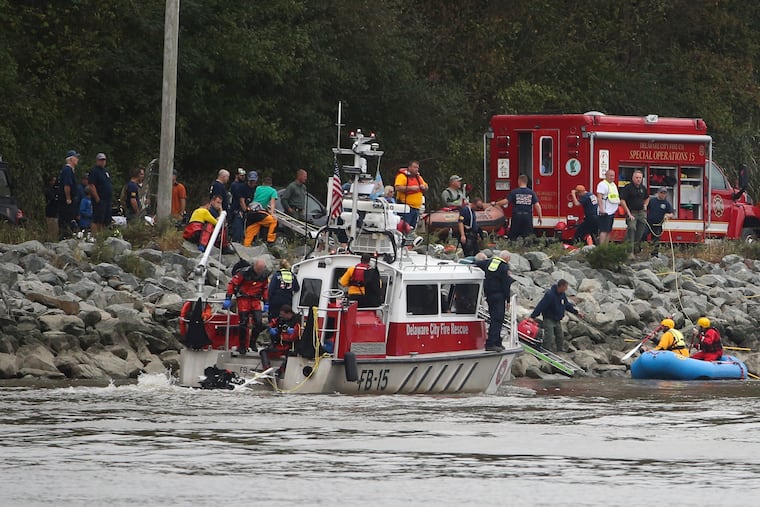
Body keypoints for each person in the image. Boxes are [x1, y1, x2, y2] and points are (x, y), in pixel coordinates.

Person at [223, 258, 269, 355]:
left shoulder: (264, 275)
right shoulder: (243, 273)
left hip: (255, 299)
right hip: (243, 298)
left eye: (262, 269)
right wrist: (228, 297)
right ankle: (242, 346)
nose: (260, 271)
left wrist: (266, 302)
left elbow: (265, 288)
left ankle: (252, 343)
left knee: (259, 322)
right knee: (243, 324)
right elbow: (232, 284)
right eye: (259, 269)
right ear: (254, 266)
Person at [529, 279, 584, 353]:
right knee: (549, 336)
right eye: (565, 287)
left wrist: (576, 312)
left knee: (560, 336)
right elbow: (541, 306)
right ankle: (544, 351)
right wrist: (532, 316)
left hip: (557, 320)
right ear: (561, 286)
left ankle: (560, 350)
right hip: (549, 319)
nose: (566, 289)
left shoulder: (562, 294)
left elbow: (567, 305)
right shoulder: (550, 295)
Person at [475, 251, 514, 352]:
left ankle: (497, 341)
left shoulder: (491, 262)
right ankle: (492, 343)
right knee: (498, 319)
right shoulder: (504, 267)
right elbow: (506, 285)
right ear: (507, 258)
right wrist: (508, 300)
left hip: (489, 295)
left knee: (494, 318)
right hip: (499, 296)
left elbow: (478, 263)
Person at [492, 174, 542, 241]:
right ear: (526, 182)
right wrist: (540, 217)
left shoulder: (514, 192)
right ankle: (527, 249)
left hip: (517, 216)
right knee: (527, 237)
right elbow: (537, 205)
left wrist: (495, 203)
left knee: (513, 236)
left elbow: (505, 201)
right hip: (527, 217)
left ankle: (512, 248)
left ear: (519, 181)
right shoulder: (531, 193)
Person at [620, 169, 649, 253]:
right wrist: (628, 212)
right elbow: (622, 200)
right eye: (636, 177)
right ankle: (630, 252)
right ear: (633, 178)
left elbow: (647, 198)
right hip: (632, 213)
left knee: (640, 232)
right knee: (632, 228)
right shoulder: (628, 188)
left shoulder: (643, 188)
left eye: (640, 178)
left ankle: (635, 250)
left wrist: (645, 205)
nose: (638, 179)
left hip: (641, 213)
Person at [394, 160, 428, 230]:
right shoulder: (402, 176)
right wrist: (411, 188)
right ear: (409, 167)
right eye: (414, 167)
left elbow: (426, 186)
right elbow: (397, 187)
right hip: (406, 208)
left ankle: (410, 240)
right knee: (404, 228)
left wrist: (424, 187)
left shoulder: (418, 177)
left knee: (412, 229)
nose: (416, 169)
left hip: (416, 208)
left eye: (417, 168)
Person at [244, 175, 278, 245]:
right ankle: (270, 241)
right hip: (259, 213)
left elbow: (259, 200)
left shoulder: (258, 188)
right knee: (274, 221)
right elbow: (272, 203)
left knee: (250, 232)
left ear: (263, 183)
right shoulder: (273, 191)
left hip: (251, 211)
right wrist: (272, 213)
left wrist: (266, 209)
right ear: (271, 184)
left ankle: (246, 246)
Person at [88, 153, 113, 234]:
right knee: (97, 218)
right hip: (99, 199)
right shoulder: (94, 171)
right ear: (97, 161)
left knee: (106, 219)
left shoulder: (105, 171)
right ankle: (95, 235)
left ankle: (103, 235)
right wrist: (97, 198)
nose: (102, 162)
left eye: (104, 160)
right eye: (101, 160)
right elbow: (92, 185)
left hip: (107, 200)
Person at [57, 150, 80, 239]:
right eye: (76, 157)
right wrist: (68, 198)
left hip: (68, 199)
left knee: (68, 219)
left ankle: (67, 235)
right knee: (66, 219)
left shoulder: (70, 170)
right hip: (66, 200)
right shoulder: (68, 170)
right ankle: (64, 236)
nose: (77, 159)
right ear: (71, 159)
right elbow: (67, 185)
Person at [645, 187, 674, 256]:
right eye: (661, 193)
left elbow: (671, 213)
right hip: (649, 223)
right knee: (643, 234)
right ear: (658, 193)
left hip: (658, 224)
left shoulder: (666, 203)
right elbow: (646, 208)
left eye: (664, 193)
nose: (663, 195)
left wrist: (668, 215)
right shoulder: (652, 201)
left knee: (656, 240)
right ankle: (642, 250)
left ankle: (654, 254)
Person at [596, 169, 621, 245]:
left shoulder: (613, 185)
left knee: (608, 230)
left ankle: (606, 248)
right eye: (610, 175)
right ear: (606, 175)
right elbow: (599, 197)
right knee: (603, 230)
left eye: (613, 175)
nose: (612, 177)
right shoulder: (602, 184)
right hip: (605, 212)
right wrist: (601, 209)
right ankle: (602, 248)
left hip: (611, 212)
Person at [228, 168, 250, 242]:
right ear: (237, 175)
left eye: (244, 175)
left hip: (240, 208)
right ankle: (235, 240)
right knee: (236, 226)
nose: (243, 177)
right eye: (241, 175)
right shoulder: (235, 185)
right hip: (236, 209)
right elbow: (240, 199)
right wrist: (244, 209)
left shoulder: (242, 185)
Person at [44, 174, 59, 240]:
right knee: (50, 228)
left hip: (55, 212)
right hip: (49, 212)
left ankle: (54, 239)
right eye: (52, 181)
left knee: (55, 229)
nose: (53, 182)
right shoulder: (47, 190)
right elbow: (51, 198)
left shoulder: (55, 189)